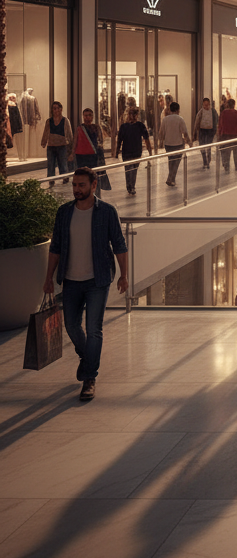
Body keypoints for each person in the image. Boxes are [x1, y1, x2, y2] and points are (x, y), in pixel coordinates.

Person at [42, 168, 129, 401]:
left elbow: (119, 245)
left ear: (93, 185)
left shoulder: (107, 212)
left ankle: (90, 377)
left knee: (94, 329)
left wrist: (124, 275)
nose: (76, 190)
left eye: (81, 185)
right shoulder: (64, 213)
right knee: (71, 325)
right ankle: (86, 358)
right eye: (74, 185)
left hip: (97, 280)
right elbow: (55, 247)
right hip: (70, 280)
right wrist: (48, 278)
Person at [115, 105, 152, 196]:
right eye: (132, 114)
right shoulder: (131, 126)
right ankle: (130, 186)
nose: (133, 116)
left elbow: (146, 139)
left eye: (134, 114)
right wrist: (116, 152)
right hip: (130, 152)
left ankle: (131, 186)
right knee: (130, 170)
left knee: (132, 170)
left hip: (134, 152)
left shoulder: (133, 126)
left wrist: (150, 151)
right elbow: (119, 140)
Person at [159, 102, 191, 187]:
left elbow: (161, 132)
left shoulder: (165, 119)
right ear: (178, 110)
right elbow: (185, 132)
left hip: (168, 144)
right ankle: (170, 179)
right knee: (176, 163)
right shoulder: (180, 119)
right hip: (178, 144)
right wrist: (189, 142)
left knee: (171, 161)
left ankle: (171, 179)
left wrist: (161, 142)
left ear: (170, 110)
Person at [42, 100, 74, 180]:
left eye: (57, 108)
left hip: (62, 146)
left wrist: (71, 148)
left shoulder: (65, 120)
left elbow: (69, 134)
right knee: (50, 166)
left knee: (63, 165)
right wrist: (44, 142)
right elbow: (45, 132)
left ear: (61, 109)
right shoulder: (49, 121)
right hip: (51, 147)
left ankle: (65, 180)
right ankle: (51, 181)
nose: (55, 110)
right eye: (54, 108)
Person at [217, 97, 237, 172]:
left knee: (227, 153)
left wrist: (219, 135)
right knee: (236, 153)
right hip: (235, 136)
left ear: (227, 105)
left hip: (226, 136)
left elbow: (220, 125)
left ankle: (227, 167)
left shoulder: (223, 113)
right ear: (234, 105)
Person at [192, 97, 218, 168]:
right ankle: (205, 161)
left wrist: (216, 131)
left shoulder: (213, 112)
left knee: (208, 147)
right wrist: (195, 132)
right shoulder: (201, 112)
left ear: (209, 104)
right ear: (202, 105)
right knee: (202, 146)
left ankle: (208, 161)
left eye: (207, 105)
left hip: (209, 131)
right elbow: (197, 122)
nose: (206, 106)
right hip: (202, 131)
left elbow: (216, 121)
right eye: (205, 105)